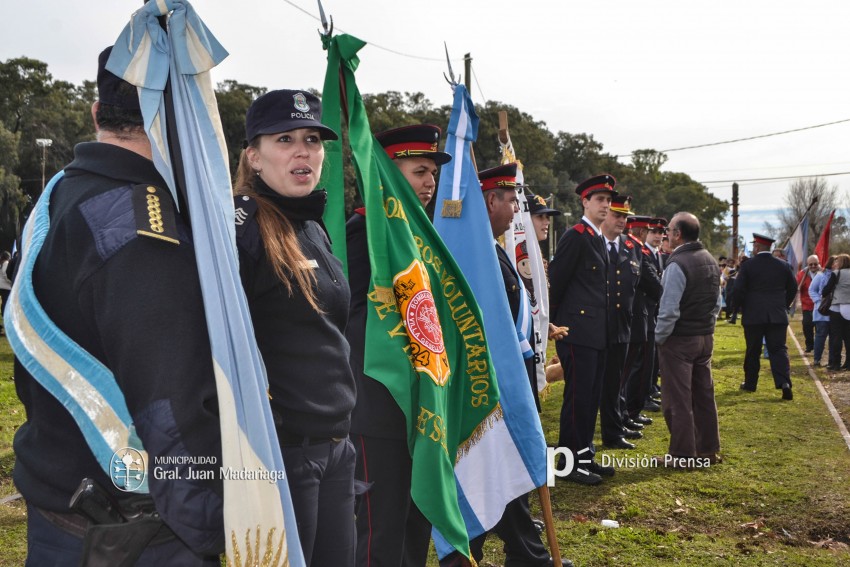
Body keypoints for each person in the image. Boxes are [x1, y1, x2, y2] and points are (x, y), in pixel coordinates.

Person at [10, 46, 224, 566]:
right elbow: (166, 404)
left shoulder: (60, 193)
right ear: (178, 119)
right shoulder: (142, 227)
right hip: (134, 533)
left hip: (62, 501)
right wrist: (209, 526)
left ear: (95, 113)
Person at [233, 89, 356, 566]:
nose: (303, 150)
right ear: (253, 156)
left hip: (336, 446)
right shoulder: (242, 227)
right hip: (282, 454)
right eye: (285, 139)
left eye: (313, 139)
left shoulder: (311, 224)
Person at [346, 124, 450, 567]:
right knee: (379, 529)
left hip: (420, 403)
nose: (429, 184)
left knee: (415, 520)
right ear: (386, 173)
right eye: (419, 171)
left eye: (431, 174)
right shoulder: (359, 234)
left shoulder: (418, 235)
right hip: (377, 404)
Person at [462, 162, 572, 567]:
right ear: (490, 200)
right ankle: (484, 555)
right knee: (490, 470)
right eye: (511, 201)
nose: (516, 211)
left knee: (512, 471)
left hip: (513, 379)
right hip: (492, 385)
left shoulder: (493, 248)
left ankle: (527, 554)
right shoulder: (474, 253)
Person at [549, 173, 617, 486]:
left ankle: (584, 455)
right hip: (575, 331)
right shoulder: (575, 235)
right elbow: (557, 283)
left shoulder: (597, 238)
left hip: (597, 332)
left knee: (590, 397)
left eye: (608, 200)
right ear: (585, 201)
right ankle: (569, 463)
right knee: (578, 398)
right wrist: (552, 325)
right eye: (599, 199)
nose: (605, 205)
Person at [654, 212, 722, 467]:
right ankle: (708, 450)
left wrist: (659, 338)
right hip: (704, 337)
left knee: (677, 400)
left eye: (669, 229)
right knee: (704, 395)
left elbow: (669, 309)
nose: (666, 234)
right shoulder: (710, 260)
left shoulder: (677, 264)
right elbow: (716, 304)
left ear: (678, 234)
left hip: (680, 340)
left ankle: (683, 455)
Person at [599, 198, 661, 451]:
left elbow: (643, 285)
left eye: (625, 216)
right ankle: (618, 421)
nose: (623, 221)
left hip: (628, 322)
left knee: (618, 381)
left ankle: (618, 423)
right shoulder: (592, 243)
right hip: (606, 326)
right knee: (617, 380)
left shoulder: (631, 247)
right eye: (617, 214)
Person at [734, 234, 797, 399]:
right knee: (778, 349)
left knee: (753, 350)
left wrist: (739, 307)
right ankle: (784, 383)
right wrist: (784, 304)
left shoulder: (748, 266)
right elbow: (792, 288)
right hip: (777, 314)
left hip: (753, 315)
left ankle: (750, 383)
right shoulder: (784, 266)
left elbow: (739, 289)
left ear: (756, 247)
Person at [822, 254, 850, 371]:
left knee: (836, 337)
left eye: (837, 262)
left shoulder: (836, 273)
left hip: (837, 307)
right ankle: (848, 363)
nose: (835, 264)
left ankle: (836, 363)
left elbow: (826, 290)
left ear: (841, 263)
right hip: (849, 306)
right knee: (848, 337)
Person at [808, 255, 835, 366]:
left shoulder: (839, 276)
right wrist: (819, 301)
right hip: (822, 312)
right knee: (821, 335)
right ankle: (817, 359)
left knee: (834, 337)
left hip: (835, 311)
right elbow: (812, 290)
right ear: (831, 264)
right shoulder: (820, 276)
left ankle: (832, 361)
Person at [797, 255, 821, 353]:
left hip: (820, 305)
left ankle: (818, 346)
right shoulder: (802, 274)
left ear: (818, 263)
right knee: (807, 325)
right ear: (807, 264)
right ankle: (809, 345)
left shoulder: (823, 272)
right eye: (811, 264)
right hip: (807, 306)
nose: (813, 266)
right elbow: (797, 286)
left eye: (815, 264)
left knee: (819, 327)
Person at [0, 250, 10, 335]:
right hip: (6, 287)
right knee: (6, 304)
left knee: (4, 303)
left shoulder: (2, 263)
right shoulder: (6, 263)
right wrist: (11, 281)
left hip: (2, 286)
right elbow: (5, 274)